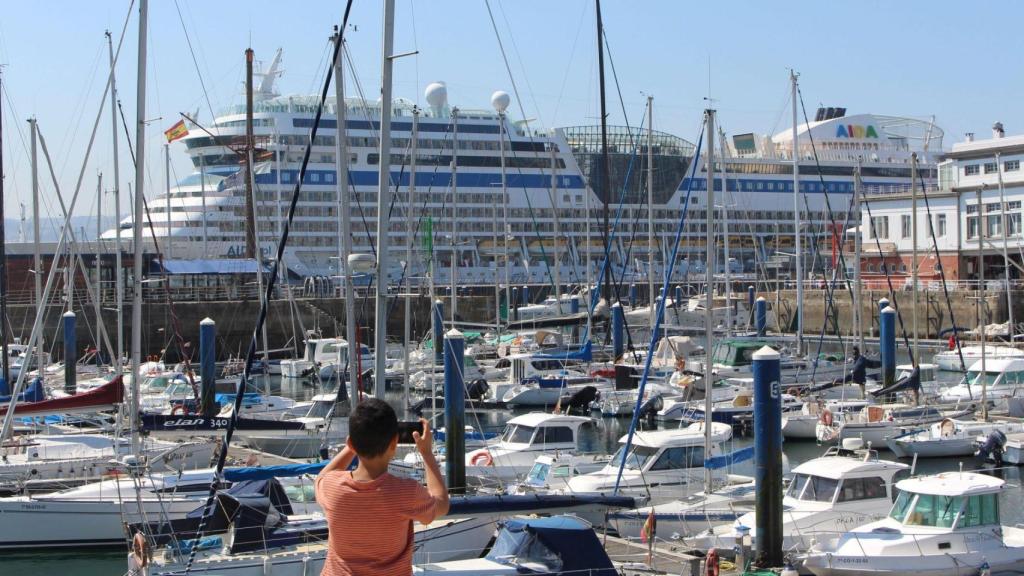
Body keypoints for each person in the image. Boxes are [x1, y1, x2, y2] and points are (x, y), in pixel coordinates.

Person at [315, 398, 449, 576]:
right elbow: (441, 504)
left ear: (351, 444)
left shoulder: (332, 487)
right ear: (394, 443)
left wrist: (353, 446)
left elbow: (321, 478)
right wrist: (426, 452)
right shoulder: (406, 492)